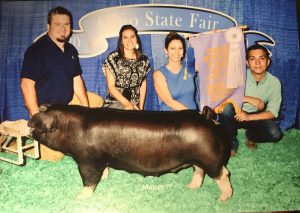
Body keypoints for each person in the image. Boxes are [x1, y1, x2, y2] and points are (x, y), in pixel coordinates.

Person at [21, 6, 89, 116]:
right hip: (44, 112)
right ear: (48, 26)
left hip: (66, 109)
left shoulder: (71, 50)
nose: (63, 29)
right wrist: (36, 115)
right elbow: (26, 85)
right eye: (58, 24)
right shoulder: (36, 50)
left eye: (66, 24)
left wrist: (86, 109)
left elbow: (76, 79)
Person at [219, 44, 283, 156]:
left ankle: (252, 136)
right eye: (253, 59)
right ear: (247, 63)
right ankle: (231, 142)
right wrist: (247, 99)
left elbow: (273, 112)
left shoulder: (274, 82)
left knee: (275, 134)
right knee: (226, 108)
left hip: (255, 117)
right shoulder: (238, 75)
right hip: (236, 114)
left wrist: (249, 117)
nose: (257, 63)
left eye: (262, 58)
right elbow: (222, 97)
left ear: (268, 62)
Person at [102, 24, 151, 110]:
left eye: (132, 37)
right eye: (125, 38)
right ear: (121, 41)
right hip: (115, 104)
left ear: (137, 39)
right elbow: (111, 87)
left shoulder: (144, 60)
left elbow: (143, 85)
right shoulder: (113, 58)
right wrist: (127, 104)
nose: (129, 41)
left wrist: (141, 109)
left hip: (135, 107)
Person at [153, 32, 197, 111]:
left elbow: (210, 64)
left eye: (180, 48)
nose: (177, 52)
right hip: (172, 120)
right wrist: (193, 116)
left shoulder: (190, 67)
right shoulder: (159, 74)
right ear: (166, 51)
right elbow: (170, 102)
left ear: (183, 51)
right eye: (172, 48)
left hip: (193, 120)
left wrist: (215, 36)